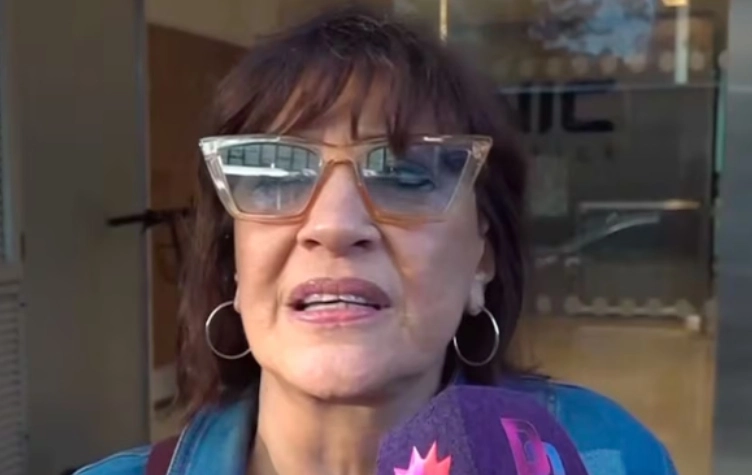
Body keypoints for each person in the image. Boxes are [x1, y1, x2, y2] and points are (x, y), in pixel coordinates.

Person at [77, 6, 677, 475]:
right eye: (278, 175)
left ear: (483, 256)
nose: (334, 226)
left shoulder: (606, 459)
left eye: (405, 177)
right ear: (236, 259)